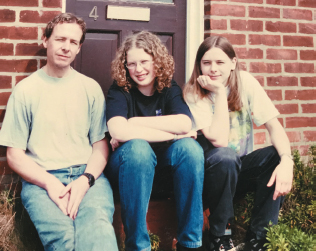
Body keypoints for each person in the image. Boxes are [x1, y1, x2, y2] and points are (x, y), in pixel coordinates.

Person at [0, 13, 118, 251]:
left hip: (87, 177)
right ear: (45, 40)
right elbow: (14, 155)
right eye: (60, 39)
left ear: (79, 48)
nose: (66, 47)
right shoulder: (26, 90)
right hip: (42, 181)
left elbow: (100, 145)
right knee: (65, 241)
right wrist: (50, 184)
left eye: (73, 42)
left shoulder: (90, 88)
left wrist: (86, 180)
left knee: (99, 237)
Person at [183, 36, 294, 251]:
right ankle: (221, 236)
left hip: (238, 171)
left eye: (220, 62)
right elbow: (219, 140)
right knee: (225, 156)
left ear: (233, 63)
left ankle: (260, 240)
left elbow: (274, 127)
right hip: (211, 175)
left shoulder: (246, 82)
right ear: (199, 65)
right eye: (206, 63)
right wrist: (218, 92)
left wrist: (287, 161)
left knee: (274, 155)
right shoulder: (193, 92)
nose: (213, 69)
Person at [106, 31, 204, 251]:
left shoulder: (169, 86)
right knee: (139, 149)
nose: (138, 70)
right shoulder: (119, 90)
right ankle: (138, 246)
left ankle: (191, 244)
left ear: (156, 61)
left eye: (144, 62)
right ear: (124, 66)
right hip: (127, 169)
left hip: (162, 168)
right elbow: (118, 130)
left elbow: (184, 123)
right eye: (131, 64)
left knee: (190, 148)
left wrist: (134, 123)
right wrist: (172, 135)